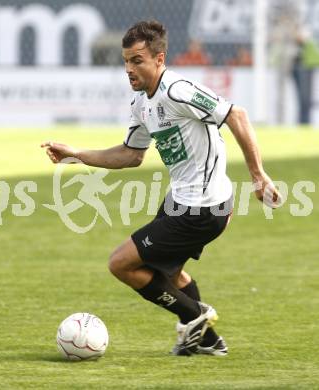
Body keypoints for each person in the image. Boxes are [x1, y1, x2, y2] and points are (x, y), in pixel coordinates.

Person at [41, 20, 281, 356]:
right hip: (181, 202)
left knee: (121, 264)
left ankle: (195, 315)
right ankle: (208, 342)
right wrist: (77, 154)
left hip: (202, 208)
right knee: (168, 273)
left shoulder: (178, 90)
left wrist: (258, 175)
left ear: (159, 58)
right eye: (126, 61)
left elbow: (236, 115)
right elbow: (130, 155)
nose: (129, 68)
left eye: (137, 60)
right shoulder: (142, 104)